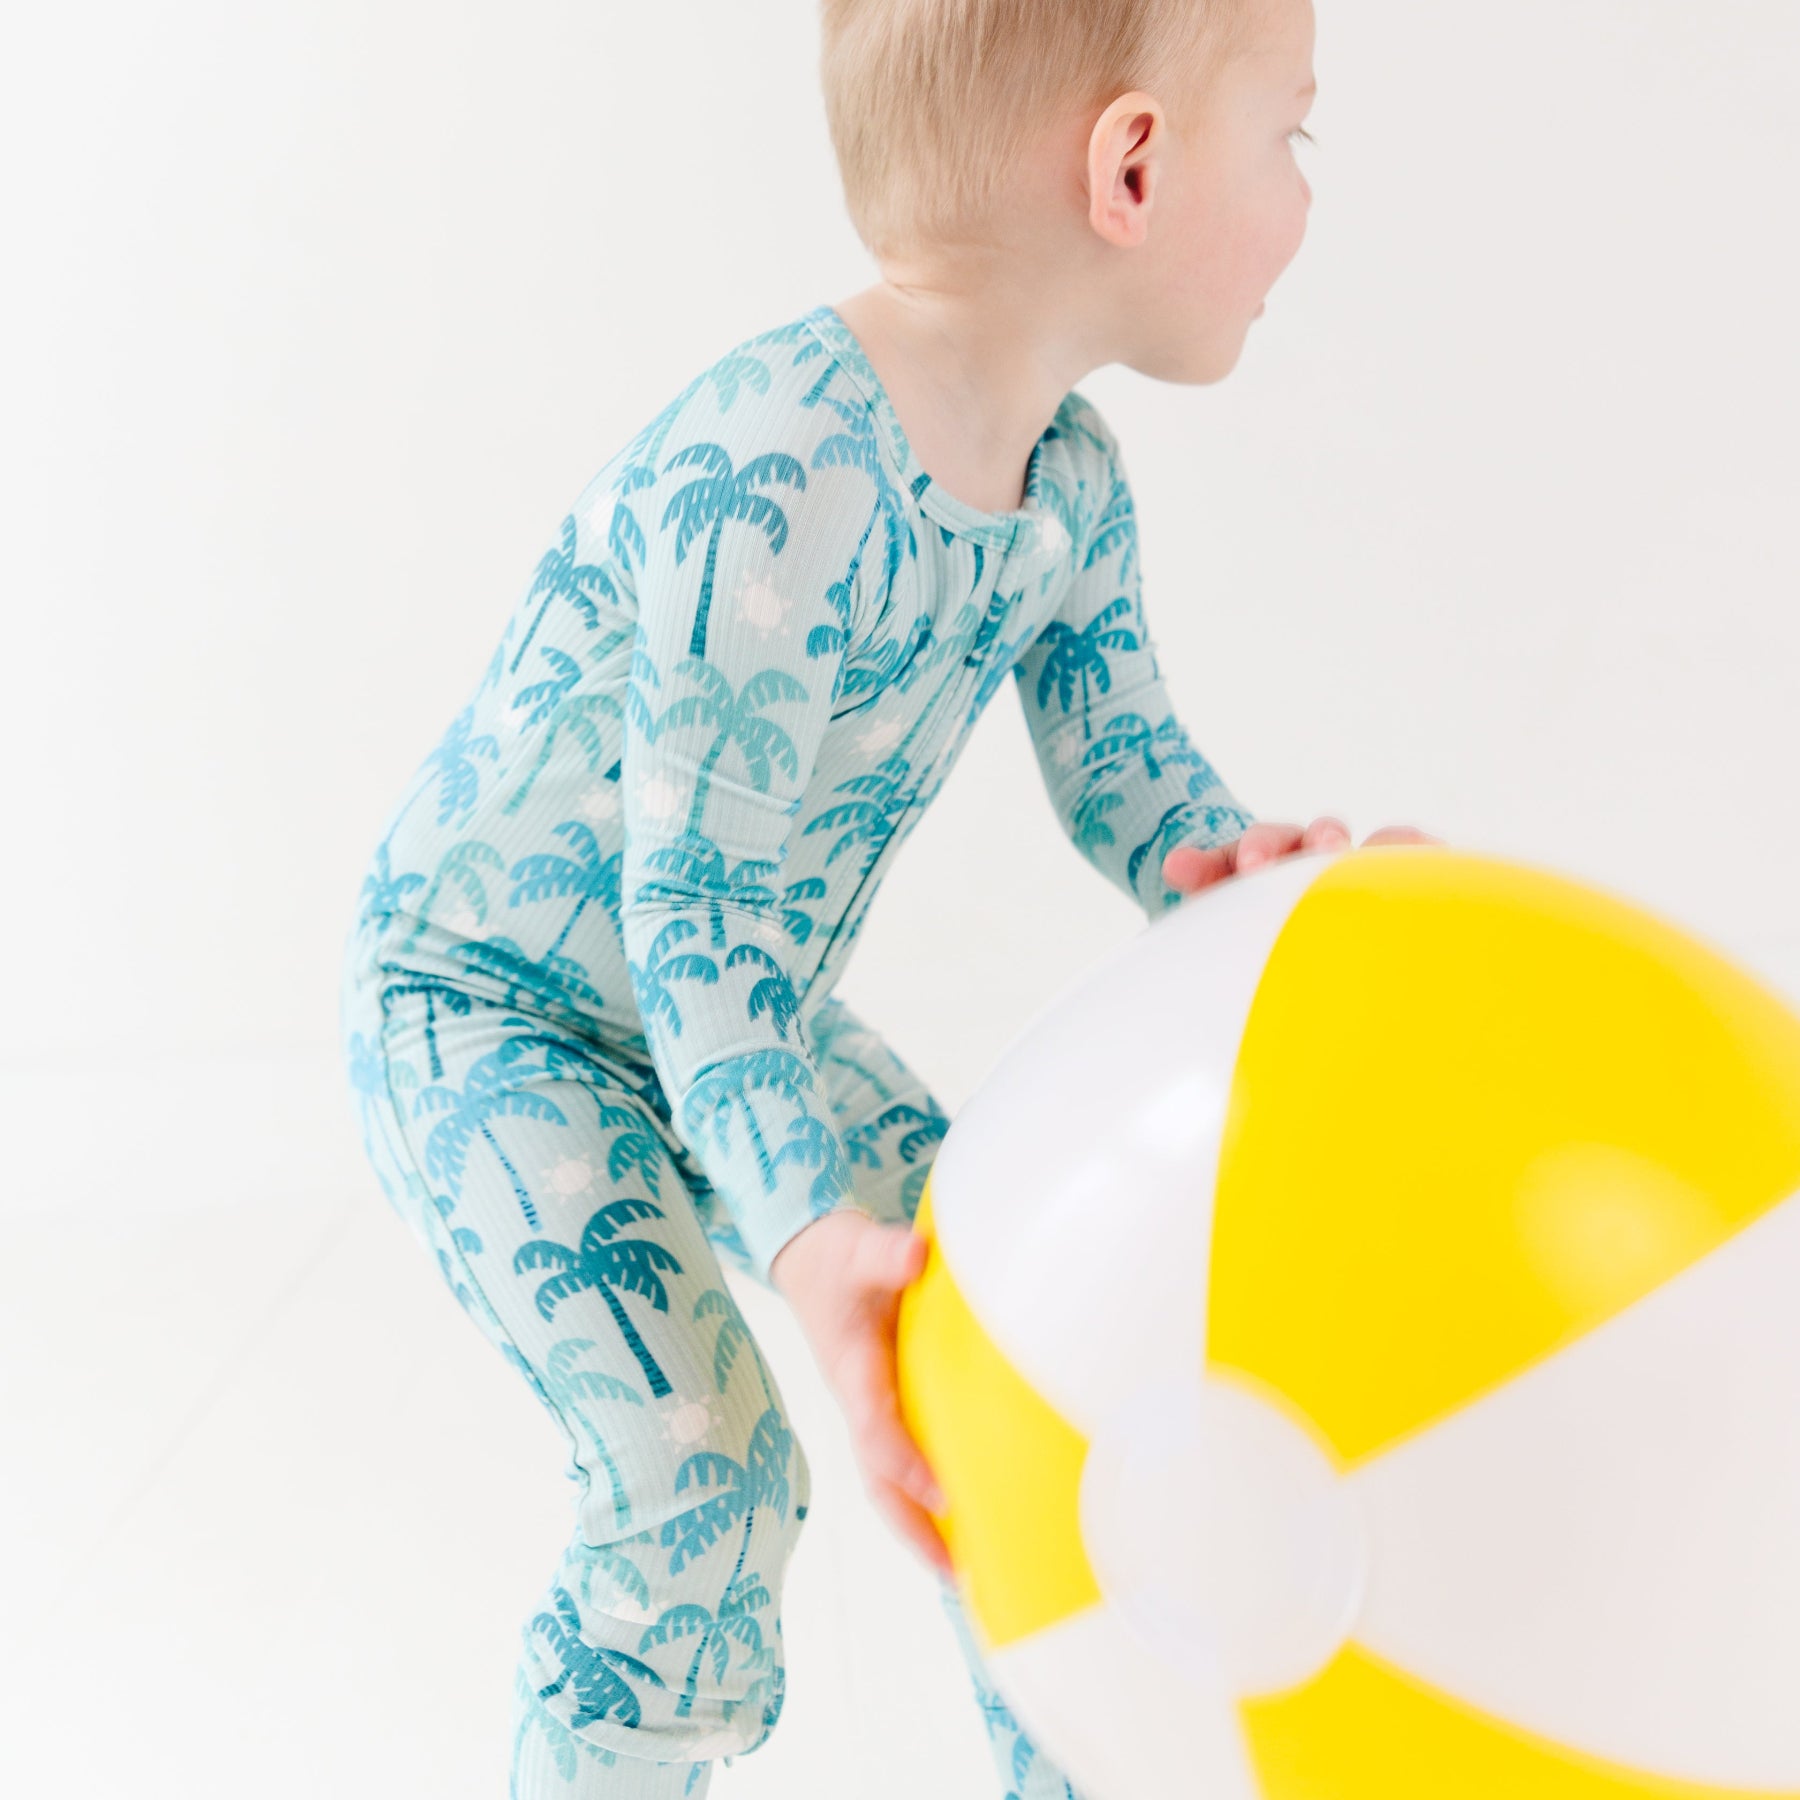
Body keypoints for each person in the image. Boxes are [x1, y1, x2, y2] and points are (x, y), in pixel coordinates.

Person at [338, 0, 1436, 1792]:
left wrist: (1269, 898)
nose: (1305, 201)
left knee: (1008, 1360)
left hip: (734, 1018)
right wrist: (807, 1237)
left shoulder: (1065, 487)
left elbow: (1136, 787)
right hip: (492, 1011)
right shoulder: (771, 476)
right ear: (1134, 166)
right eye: (1292, 137)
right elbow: (693, 915)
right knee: (703, 1477)